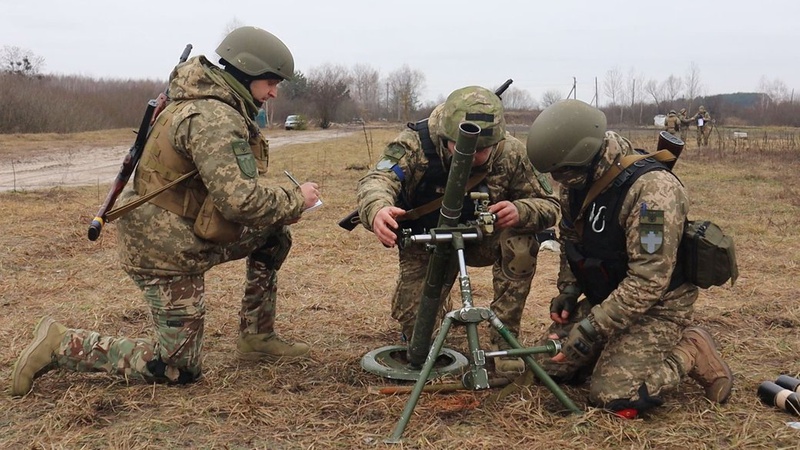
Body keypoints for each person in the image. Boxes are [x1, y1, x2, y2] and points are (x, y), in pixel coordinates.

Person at [11, 26, 321, 396]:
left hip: (185, 232)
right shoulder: (214, 118)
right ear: (245, 73)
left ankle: (257, 336)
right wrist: (294, 199)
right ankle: (60, 344)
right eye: (270, 82)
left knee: (273, 234)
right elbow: (239, 201)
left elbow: (231, 189)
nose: (274, 92)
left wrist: (281, 209)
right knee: (177, 369)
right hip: (166, 251)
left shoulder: (205, 102)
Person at [524, 99, 733, 417]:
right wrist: (568, 291)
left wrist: (593, 328)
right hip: (608, 299)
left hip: (658, 307)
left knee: (613, 396)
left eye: (561, 172)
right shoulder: (576, 182)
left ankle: (692, 348)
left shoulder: (653, 194)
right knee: (547, 369)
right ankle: (611, 351)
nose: (557, 181)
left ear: (583, 155)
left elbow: (649, 281)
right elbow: (570, 240)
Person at [357, 86, 560, 374]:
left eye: (483, 150)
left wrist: (521, 210)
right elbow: (377, 180)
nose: (474, 156)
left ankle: (505, 339)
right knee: (418, 335)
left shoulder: (512, 152)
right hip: (428, 240)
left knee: (522, 243)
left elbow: (550, 204)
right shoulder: (415, 144)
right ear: (445, 135)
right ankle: (434, 305)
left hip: (483, 239)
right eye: (465, 147)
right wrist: (377, 209)